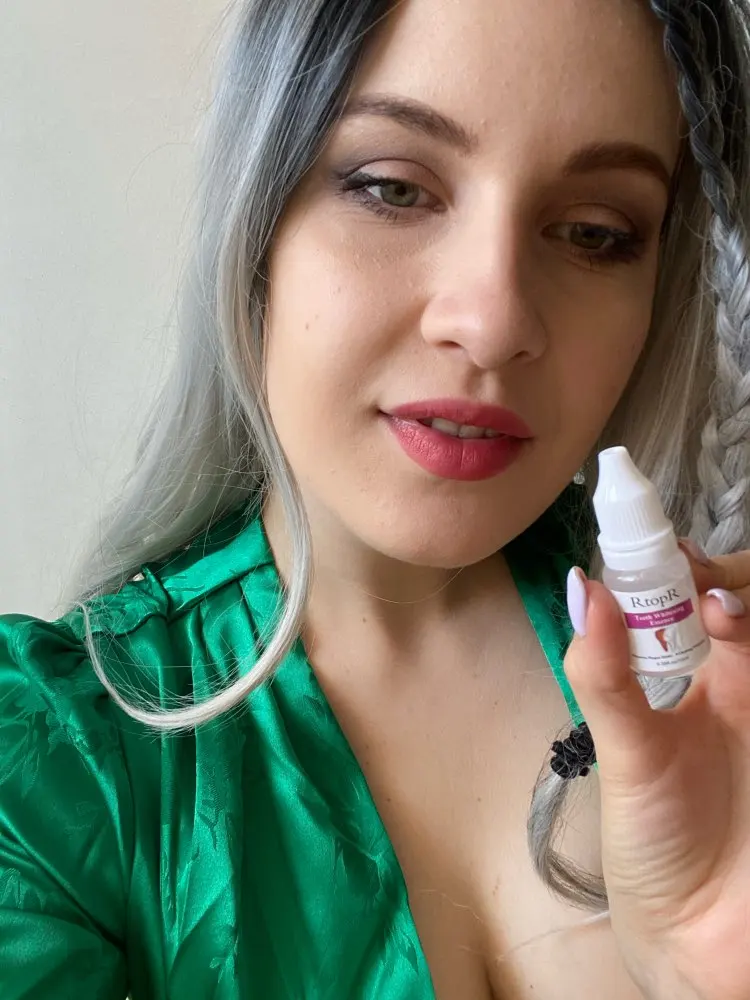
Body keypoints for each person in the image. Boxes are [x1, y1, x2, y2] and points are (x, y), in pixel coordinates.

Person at [2, 0, 750, 996]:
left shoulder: (723, 684)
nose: (493, 320)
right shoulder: (48, 774)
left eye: (595, 232)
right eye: (392, 188)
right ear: (257, 222)